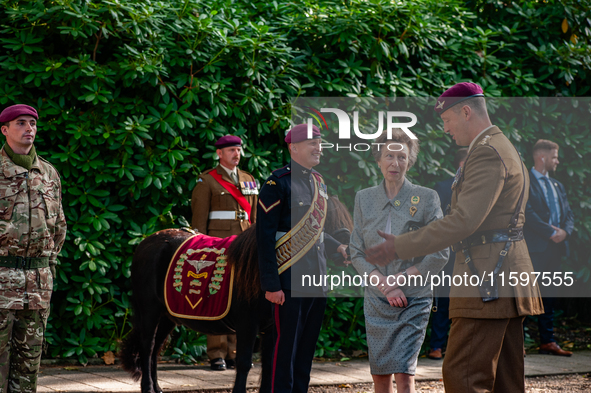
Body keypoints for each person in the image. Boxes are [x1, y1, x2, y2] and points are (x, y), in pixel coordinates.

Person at [364, 82, 543, 393]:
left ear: (465, 111)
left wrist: (399, 246)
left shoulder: (486, 152)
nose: (445, 129)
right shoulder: (500, 146)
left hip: (487, 278)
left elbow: (463, 220)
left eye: (447, 120)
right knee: (505, 380)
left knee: (464, 374)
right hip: (502, 275)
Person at [350, 129, 448, 393]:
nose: (395, 162)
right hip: (376, 297)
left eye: (401, 156)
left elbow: (440, 251)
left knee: (405, 371)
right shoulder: (364, 198)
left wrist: (400, 280)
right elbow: (356, 251)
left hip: (413, 297)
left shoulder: (427, 198)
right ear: (378, 160)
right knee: (380, 374)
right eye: (389, 156)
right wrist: (383, 284)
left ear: (410, 160)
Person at [256, 124, 347, 393]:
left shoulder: (318, 181)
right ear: (293, 148)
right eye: (312, 143)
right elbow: (265, 237)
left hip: (315, 278)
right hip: (288, 279)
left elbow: (316, 232)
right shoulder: (277, 183)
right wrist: (271, 284)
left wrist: (337, 247)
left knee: (306, 348)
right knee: (285, 349)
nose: (319, 147)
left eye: (320, 143)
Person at [0, 104, 67, 392]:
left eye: (32, 123)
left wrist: (48, 264)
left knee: (29, 365)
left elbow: (59, 226)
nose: (29, 128)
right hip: (2, 281)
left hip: (38, 285)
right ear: (5, 130)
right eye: (21, 123)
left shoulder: (49, 173)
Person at [190, 135, 258, 371]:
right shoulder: (206, 180)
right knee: (216, 296)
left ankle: (235, 353)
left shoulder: (249, 179)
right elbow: (199, 222)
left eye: (238, 149)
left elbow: (255, 218)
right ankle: (217, 354)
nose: (236, 154)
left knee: (243, 298)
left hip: (244, 248)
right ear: (219, 153)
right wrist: (201, 247)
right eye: (231, 150)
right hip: (217, 248)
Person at [524, 140, 574, 356]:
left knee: (549, 294)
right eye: (554, 157)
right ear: (542, 157)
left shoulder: (557, 185)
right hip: (534, 249)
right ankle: (518, 342)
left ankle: (548, 341)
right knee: (525, 294)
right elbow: (526, 212)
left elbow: (569, 213)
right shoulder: (525, 181)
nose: (558, 161)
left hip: (556, 249)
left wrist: (565, 232)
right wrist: (550, 232)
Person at [427, 148, 468, 360]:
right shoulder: (442, 188)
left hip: (474, 254)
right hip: (449, 253)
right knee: (442, 300)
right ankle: (436, 345)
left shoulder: (481, 190)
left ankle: (461, 348)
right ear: (461, 164)